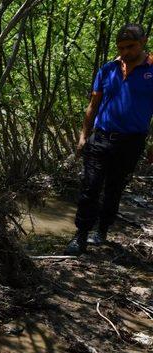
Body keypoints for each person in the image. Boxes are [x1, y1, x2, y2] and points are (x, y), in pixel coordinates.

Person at [65, 23, 153, 255]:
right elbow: (92, 106)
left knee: (114, 188)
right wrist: (84, 136)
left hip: (131, 141)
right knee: (90, 187)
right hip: (101, 137)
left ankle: (102, 229)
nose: (125, 52)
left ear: (143, 42)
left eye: (130, 47)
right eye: (121, 47)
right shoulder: (108, 69)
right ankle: (80, 235)